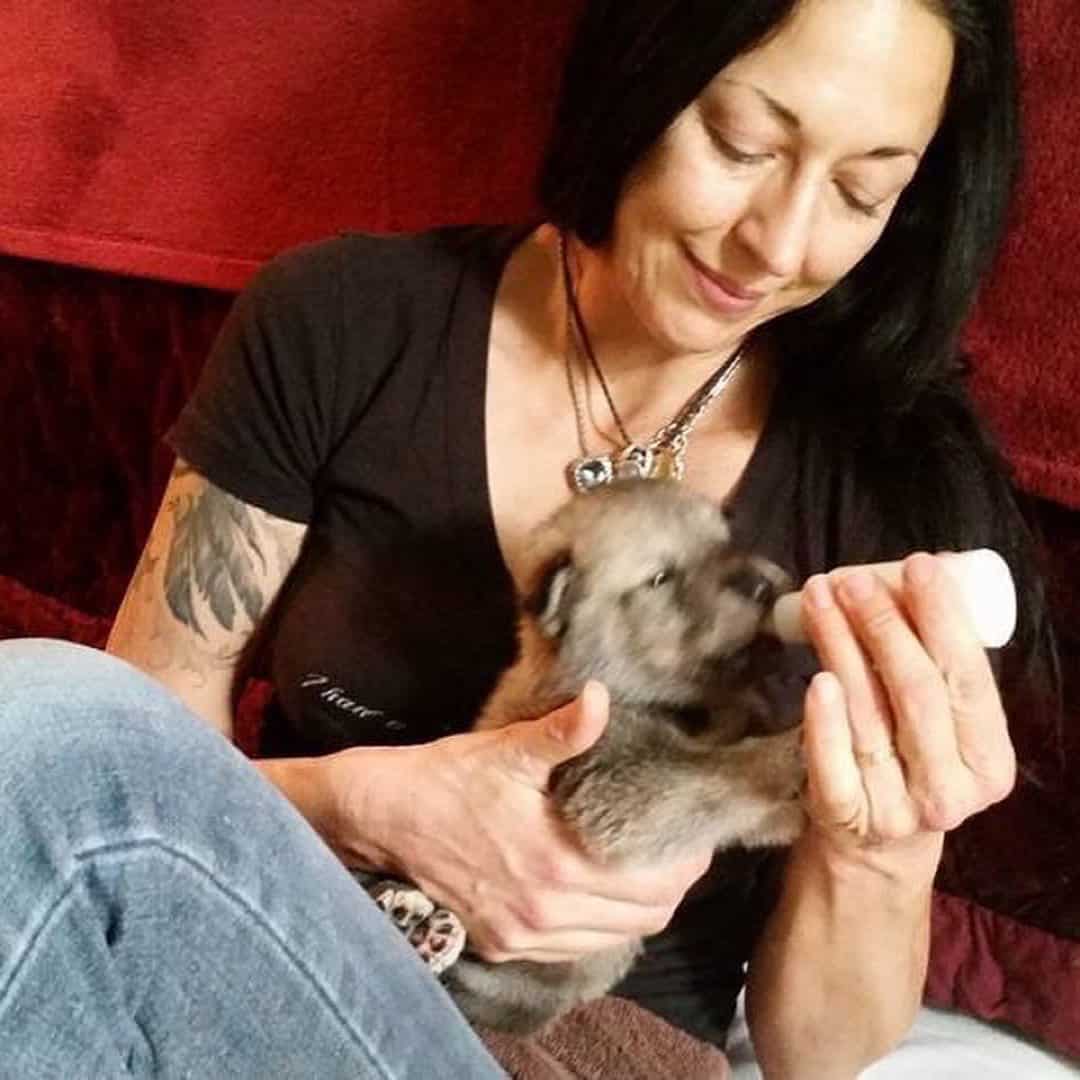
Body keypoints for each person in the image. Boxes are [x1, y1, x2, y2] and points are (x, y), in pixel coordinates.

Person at [0, 0, 1057, 1075]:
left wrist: (885, 847)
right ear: (637, 76)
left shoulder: (890, 481)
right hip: (285, 949)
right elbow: (120, 764)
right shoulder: (341, 322)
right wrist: (361, 805)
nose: (780, 243)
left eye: (858, 190)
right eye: (741, 143)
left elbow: (820, 1058)